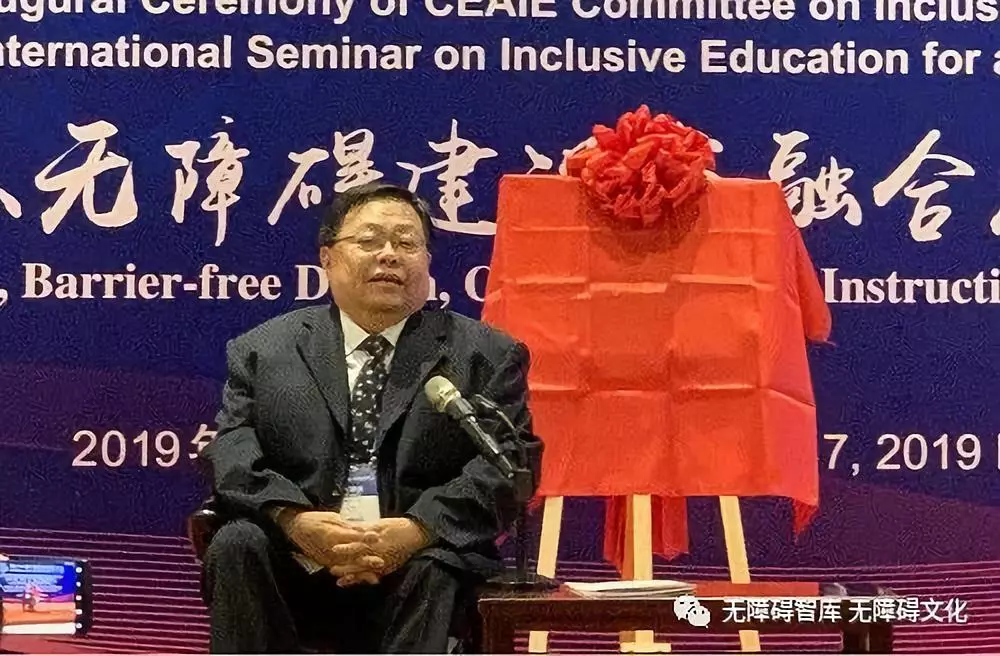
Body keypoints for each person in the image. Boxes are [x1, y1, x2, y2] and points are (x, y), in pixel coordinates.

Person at [199, 182, 540, 654]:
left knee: (440, 566)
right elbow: (233, 453)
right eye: (369, 241)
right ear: (328, 257)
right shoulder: (265, 351)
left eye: (406, 243)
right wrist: (295, 521)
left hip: (420, 563)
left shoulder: (484, 355)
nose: (389, 255)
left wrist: (417, 530)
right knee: (237, 543)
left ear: (426, 262)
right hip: (298, 561)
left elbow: (506, 465)